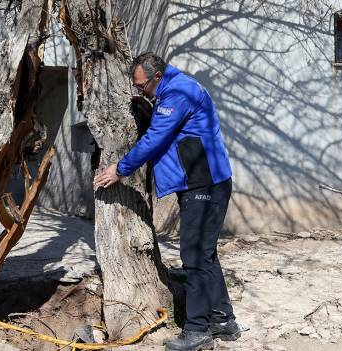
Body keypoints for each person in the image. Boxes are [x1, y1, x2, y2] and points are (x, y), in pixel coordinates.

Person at [93, 52, 240, 351]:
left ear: (157, 77)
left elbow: (157, 138)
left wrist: (120, 169)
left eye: (141, 86)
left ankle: (198, 330)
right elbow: (172, 130)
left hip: (206, 184)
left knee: (195, 255)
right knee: (205, 255)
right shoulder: (170, 90)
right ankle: (224, 321)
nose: (139, 91)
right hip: (203, 182)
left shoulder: (179, 91)